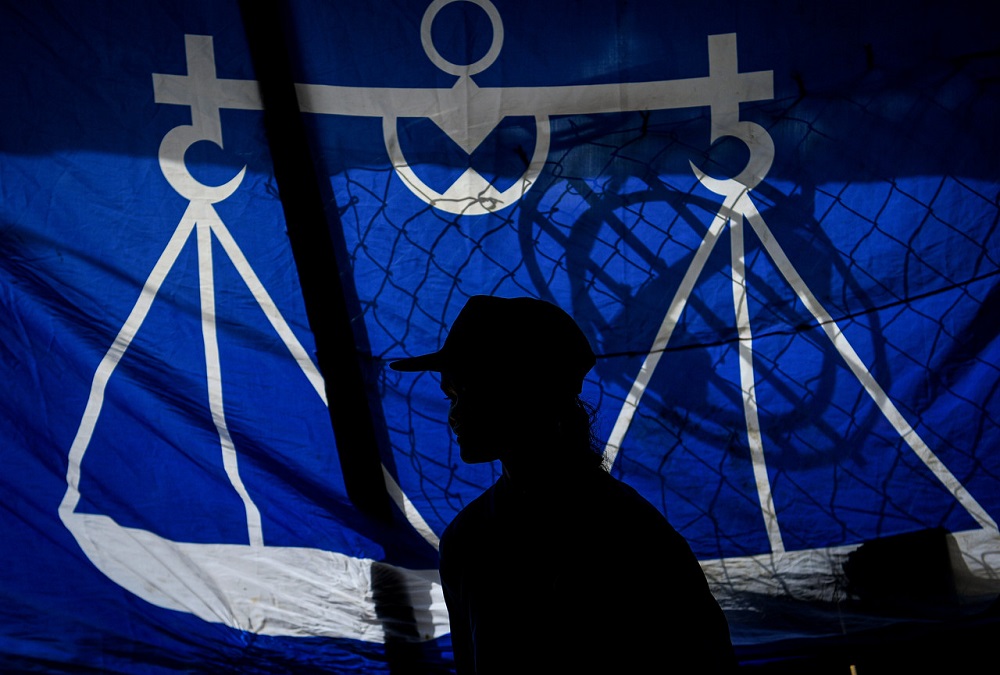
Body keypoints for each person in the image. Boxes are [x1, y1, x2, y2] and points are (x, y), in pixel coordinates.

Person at [391, 295, 737, 674]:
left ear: (527, 392)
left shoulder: (628, 534)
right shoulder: (465, 540)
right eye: (451, 397)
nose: (454, 414)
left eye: (470, 392)